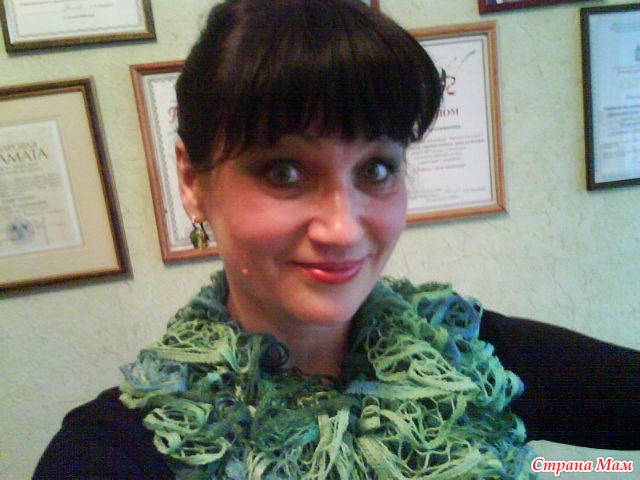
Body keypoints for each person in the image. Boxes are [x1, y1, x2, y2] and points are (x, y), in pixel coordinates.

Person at [34, 0, 639, 478]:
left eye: (375, 168)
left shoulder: (469, 356)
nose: (343, 228)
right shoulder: (120, 451)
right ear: (192, 181)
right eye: (284, 172)